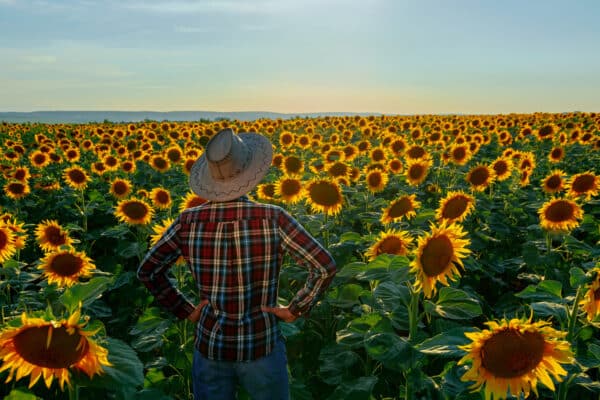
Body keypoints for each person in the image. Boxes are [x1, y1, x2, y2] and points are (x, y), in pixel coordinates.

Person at [137, 128, 337, 400]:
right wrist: (295, 308)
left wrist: (184, 309)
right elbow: (324, 265)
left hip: (210, 346)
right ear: (250, 174)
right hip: (262, 344)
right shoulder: (273, 217)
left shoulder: (188, 221)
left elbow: (148, 270)